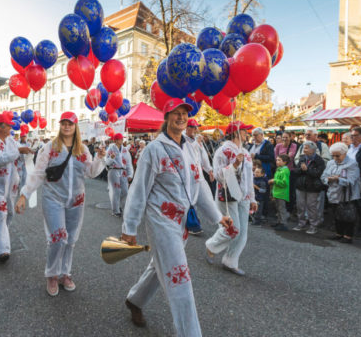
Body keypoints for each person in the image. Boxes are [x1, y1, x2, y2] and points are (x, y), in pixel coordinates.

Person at [119, 99, 231, 336]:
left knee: (161, 266)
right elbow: (139, 189)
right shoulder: (154, 150)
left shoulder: (191, 147)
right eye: (176, 113)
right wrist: (129, 226)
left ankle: (135, 300)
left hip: (183, 222)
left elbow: (199, 183)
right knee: (180, 277)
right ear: (166, 117)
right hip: (161, 220)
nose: (181, 117)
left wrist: (217, 216)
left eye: (184, 114)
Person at [16, 112, 104, 296]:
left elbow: (92, 173)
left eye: (70, 124)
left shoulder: (83, 149)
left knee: (70, 240)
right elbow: (38, 173)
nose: (66, 127)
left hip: (77, 200)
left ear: (75, 127)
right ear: (60, 126)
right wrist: (24, 194)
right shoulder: (49, 148)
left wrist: (99, 158)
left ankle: (65, 273)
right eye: (63, 123)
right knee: (58, 238)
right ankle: (52, 274)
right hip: (53, 198)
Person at [205, 121, 257, 276]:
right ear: (236, 133)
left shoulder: (245, 152)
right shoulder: (223, 151)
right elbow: (219, 175)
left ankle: (230, 260)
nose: (247, 134)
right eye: (244, 131)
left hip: (244, 195)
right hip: (228, 194)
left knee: (242, 232)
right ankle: (211, 245)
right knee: (233, 228)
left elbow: (249, 177)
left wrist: (252, 198)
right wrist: (234, 165)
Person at [0, 113, 32, 263]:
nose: (10, 128)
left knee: (9, 214)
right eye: (8, 125)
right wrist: (18, 151)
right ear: (1, 127)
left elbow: (18, 154)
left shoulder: (10, 141)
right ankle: (3, 250)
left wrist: (26, 152)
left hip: (10, 185)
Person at [321, 142, 361, 243]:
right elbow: (323, 177)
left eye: (337, 155)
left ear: (344, 153)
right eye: (333, 155)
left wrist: (338, 180)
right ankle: (338, 233)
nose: (335, 158)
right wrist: (328, 179)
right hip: (333, 193)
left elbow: (352, 180)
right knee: (336, 214)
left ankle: (348, 236)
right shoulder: (330, 163)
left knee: (347, 216)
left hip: (347, 194)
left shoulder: (352, 164)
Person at [292, 141, 326, 234]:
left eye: (306, 148)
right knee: (300, 206)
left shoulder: (319, 160)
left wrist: (307, 170)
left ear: (313, 150)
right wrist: (301, 169)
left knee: (312, 207)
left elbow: (318, 173)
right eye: (304, 147)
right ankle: (301, 223)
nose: (304, 149)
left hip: (313, 187)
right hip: (301, 185)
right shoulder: (302, 158)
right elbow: (296, 171)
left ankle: (313, 225)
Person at [106, 133, 133, 217]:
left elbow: (129, 163)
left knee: (125, 191)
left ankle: (121, 207)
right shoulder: (110, 149)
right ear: (116, 140)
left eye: (122, 139)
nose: (122, 140)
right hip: (113, 171)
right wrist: (111, 158)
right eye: (121, 139)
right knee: (116, 191)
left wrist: (130, 174)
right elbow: (106, 163)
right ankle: (115, 210)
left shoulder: (125, 150)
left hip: (123, 172)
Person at [269, 154, 291, 231]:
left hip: (281, 193)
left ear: (285, 162)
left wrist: (274, 181)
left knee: (281, 209)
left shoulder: (284, 170)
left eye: (279, 160)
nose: (277, 161)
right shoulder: (279, 169)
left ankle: (283, 224)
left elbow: (285, 183)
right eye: (277, 160)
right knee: (278, 208)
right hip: (277, 193)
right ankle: (279, 222)